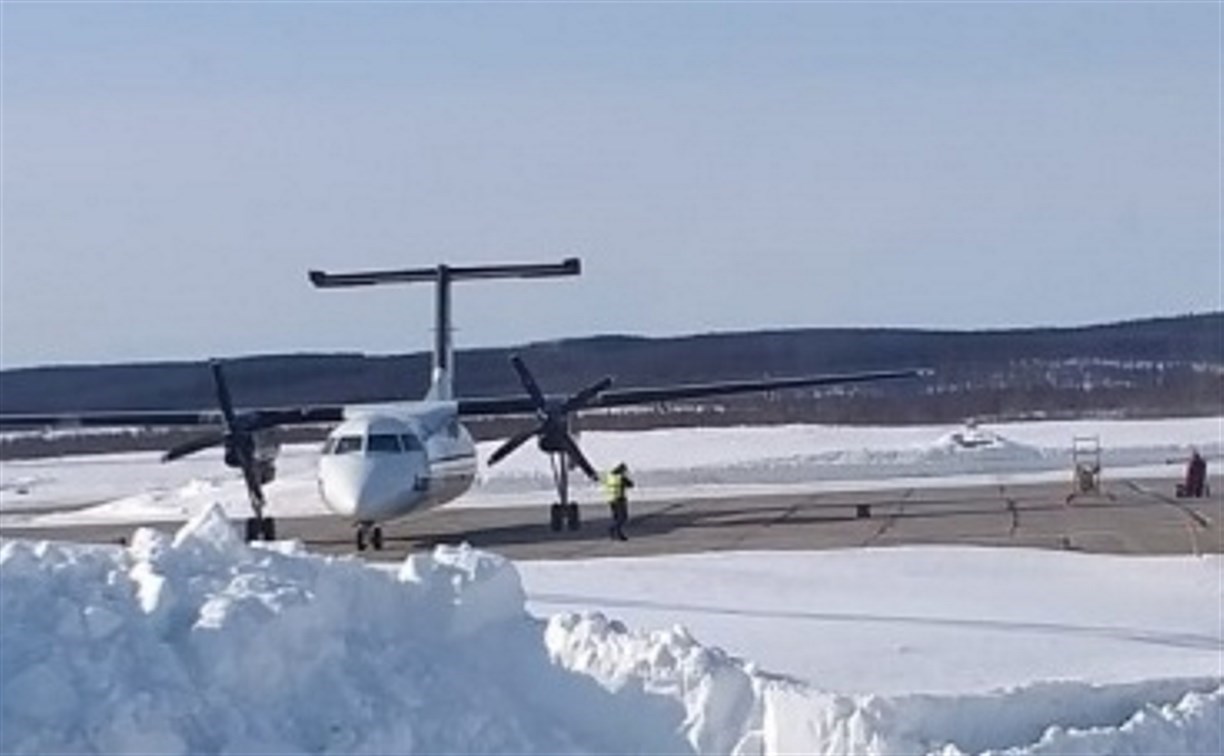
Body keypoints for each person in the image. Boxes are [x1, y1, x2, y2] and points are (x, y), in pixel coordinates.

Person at [604, 462, 634, 541]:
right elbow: (631, 484)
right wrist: (626, 476)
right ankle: (613, 530)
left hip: (611, 499)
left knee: (616, 518)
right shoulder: (620, 477)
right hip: (619, 499)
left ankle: (616, 534)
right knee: (623, 518)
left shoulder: (610, 477)